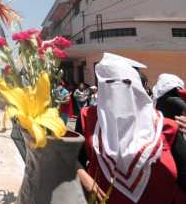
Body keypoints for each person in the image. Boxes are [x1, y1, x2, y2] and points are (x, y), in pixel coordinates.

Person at [77, 53, 186, 203]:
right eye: (109, 85)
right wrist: (82, 175)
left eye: (125, 84)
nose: (117, 92)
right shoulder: (88, 120)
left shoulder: (167, 127)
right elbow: (72, 159)